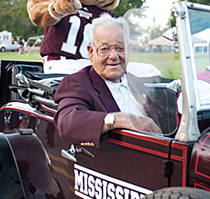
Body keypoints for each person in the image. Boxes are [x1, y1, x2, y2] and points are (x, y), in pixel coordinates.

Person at [54, 15, 161, 146]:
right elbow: (67, 124)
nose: (113, 56)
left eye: (120, 48)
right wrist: (119, 119)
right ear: (91, 52)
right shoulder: (76, 83)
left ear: (129, 50)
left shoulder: (136, 81)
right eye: (104, 49)